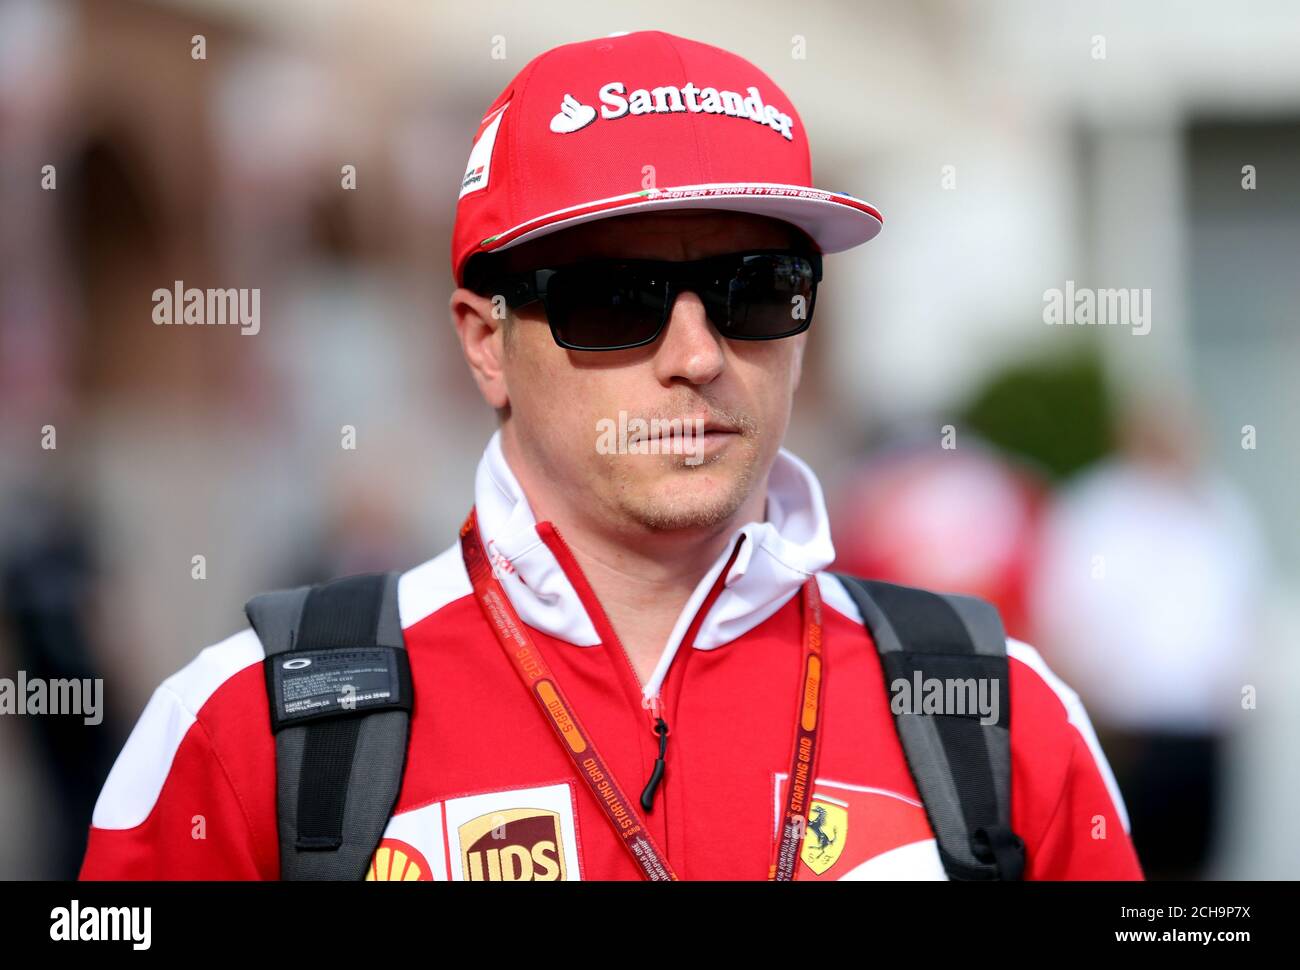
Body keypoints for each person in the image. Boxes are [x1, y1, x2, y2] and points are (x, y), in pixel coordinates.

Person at [80, 29, 1141, 881]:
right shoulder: (248, 727)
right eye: (613, 302)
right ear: (484, 340)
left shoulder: (998, 712)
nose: (696, 356)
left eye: (755, 291)